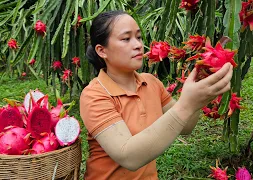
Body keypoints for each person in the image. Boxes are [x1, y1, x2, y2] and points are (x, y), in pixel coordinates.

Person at [80, 10, 233, 180]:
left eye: (138, 37)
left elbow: (186, 127)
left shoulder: (151, 82)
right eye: (126, 38)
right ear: (102, 51)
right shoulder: (95, 94)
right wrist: (187, 104)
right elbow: (128, 156)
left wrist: (198, 98)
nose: (138, 45)